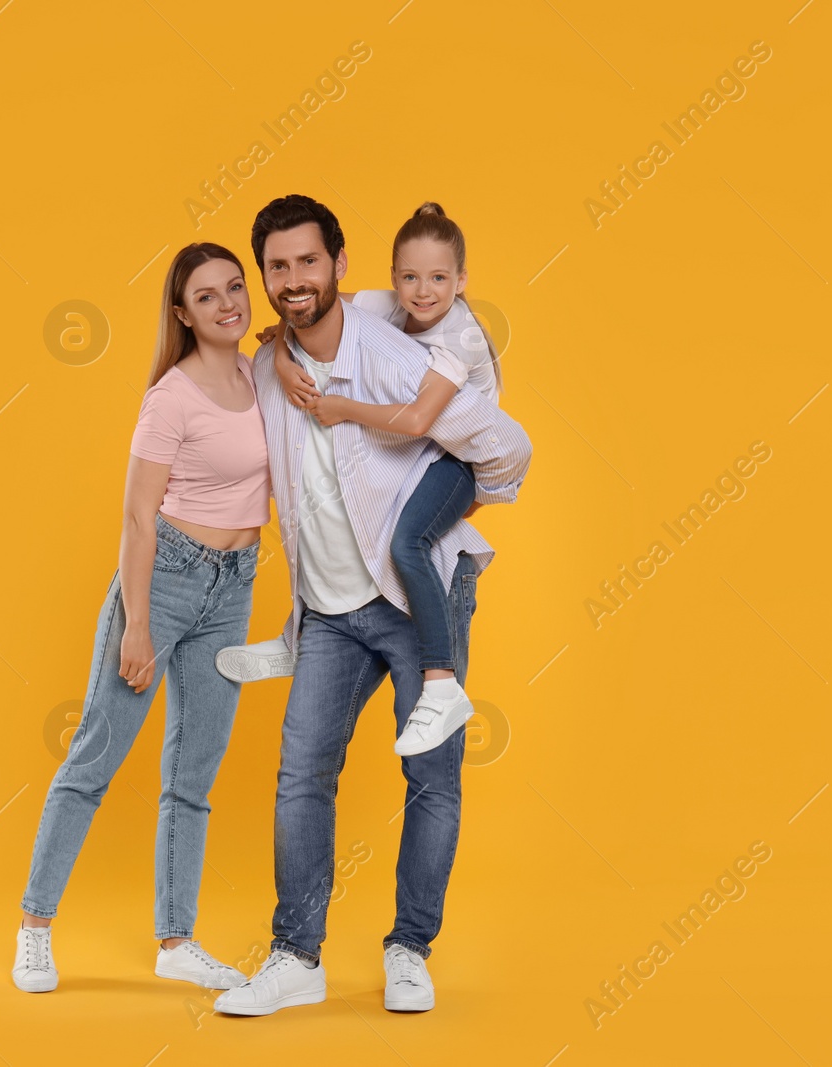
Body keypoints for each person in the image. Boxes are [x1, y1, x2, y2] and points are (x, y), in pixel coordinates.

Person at [213, 195, 532, 1017]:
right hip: (327, 608)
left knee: (431, 776)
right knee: (300, 776)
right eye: (277, 267)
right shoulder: (265, 369)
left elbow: (502, 443)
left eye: (308, 262)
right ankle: (297, 955)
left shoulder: (392, 355)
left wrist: (461, 508)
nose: (293, 280)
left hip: (409, 595)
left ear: (340, 267)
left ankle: (409, 948)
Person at [13, 243, 270, 994]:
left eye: (234, 287)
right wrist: (135, 624)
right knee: (95, 757)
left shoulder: (261, 377)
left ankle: (176, 937)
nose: (228, 303)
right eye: (207, 295)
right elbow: (136, 515)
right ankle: (34, 927)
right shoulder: (172, 397)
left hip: (235, 586)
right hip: (163, 583)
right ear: (182, 312)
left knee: (194, 772)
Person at [217, 201, 505, 757]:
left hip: (456, 460)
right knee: (327, 513)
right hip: (422, 454)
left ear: (462, 281)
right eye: (409, 278)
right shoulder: (387, 306)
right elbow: (305, 311)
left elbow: (422, 420)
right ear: (393, 277)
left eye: (439, 279)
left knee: (406, 541)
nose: (422, 293)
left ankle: (440, 684)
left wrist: (342, 407)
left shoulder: (460, 339)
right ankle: (294, 635)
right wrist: (279, 354)